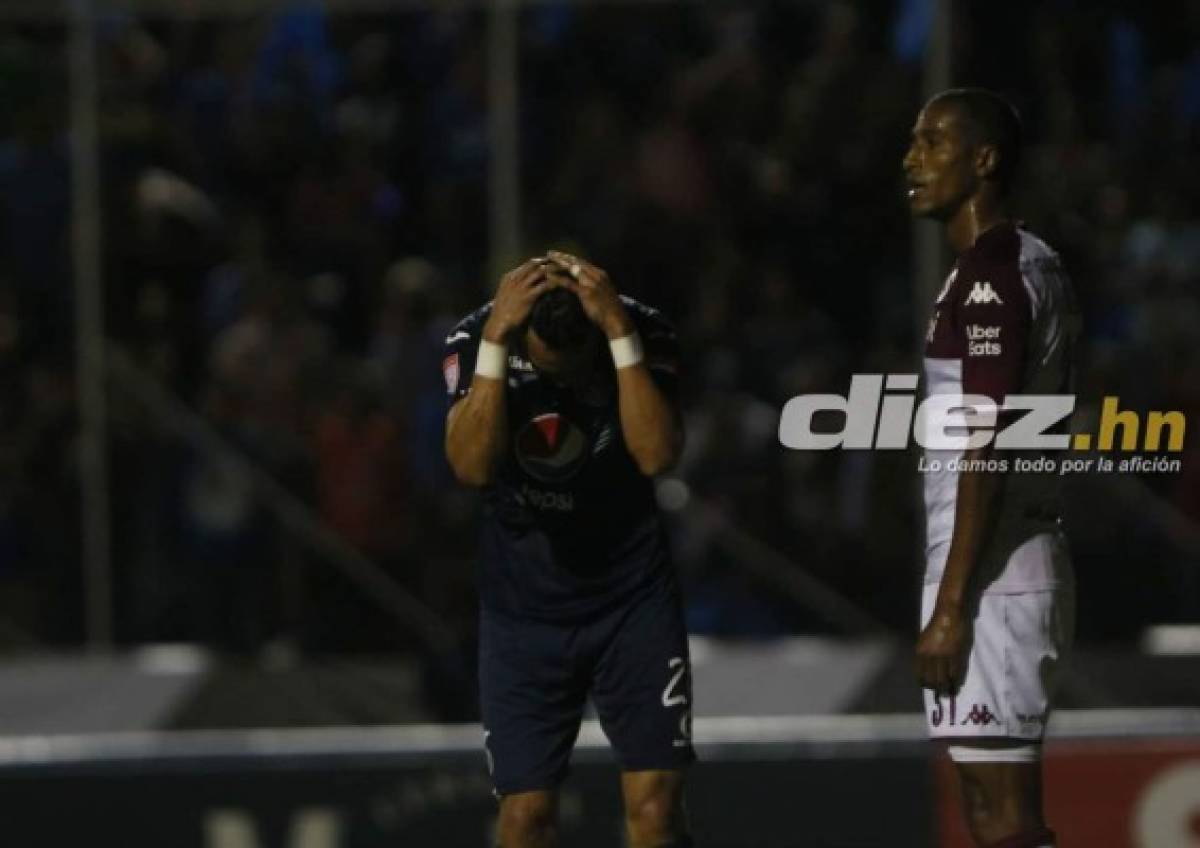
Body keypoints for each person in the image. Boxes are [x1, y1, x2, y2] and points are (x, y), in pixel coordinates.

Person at [443, 251, 694, 848]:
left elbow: (657, 455)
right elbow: (471, 466)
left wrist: (620, 339)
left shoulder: (641, 329)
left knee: (655, 812)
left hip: (631, 602)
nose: (564, 383)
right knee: (525, 819)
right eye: (549, 368)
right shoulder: (478, 335)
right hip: (524, 613)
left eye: (577, 369)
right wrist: (499, 342)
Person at [903, 89, 1079, 847]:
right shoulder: (1026, 261)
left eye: (934, 143)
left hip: (992, 575)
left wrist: (950, 606)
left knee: (1004, 816)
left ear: (984, 161)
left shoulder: (991, 277)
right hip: (1004, 562)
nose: (912, 160)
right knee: (987, 809)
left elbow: (987, 442)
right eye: (913, 141)